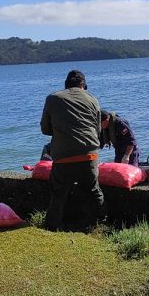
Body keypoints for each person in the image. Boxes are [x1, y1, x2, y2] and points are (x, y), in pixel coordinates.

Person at [40, 70, 105, 231]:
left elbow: (45, 129)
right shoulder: (93, 100)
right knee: (94, 191)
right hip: (89, 156)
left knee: (58, 195)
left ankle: (52, 227)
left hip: (63, 158)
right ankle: (101, 223)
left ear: (66, 84)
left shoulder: (52, 98)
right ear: (83, 85)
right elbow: (97, 130)